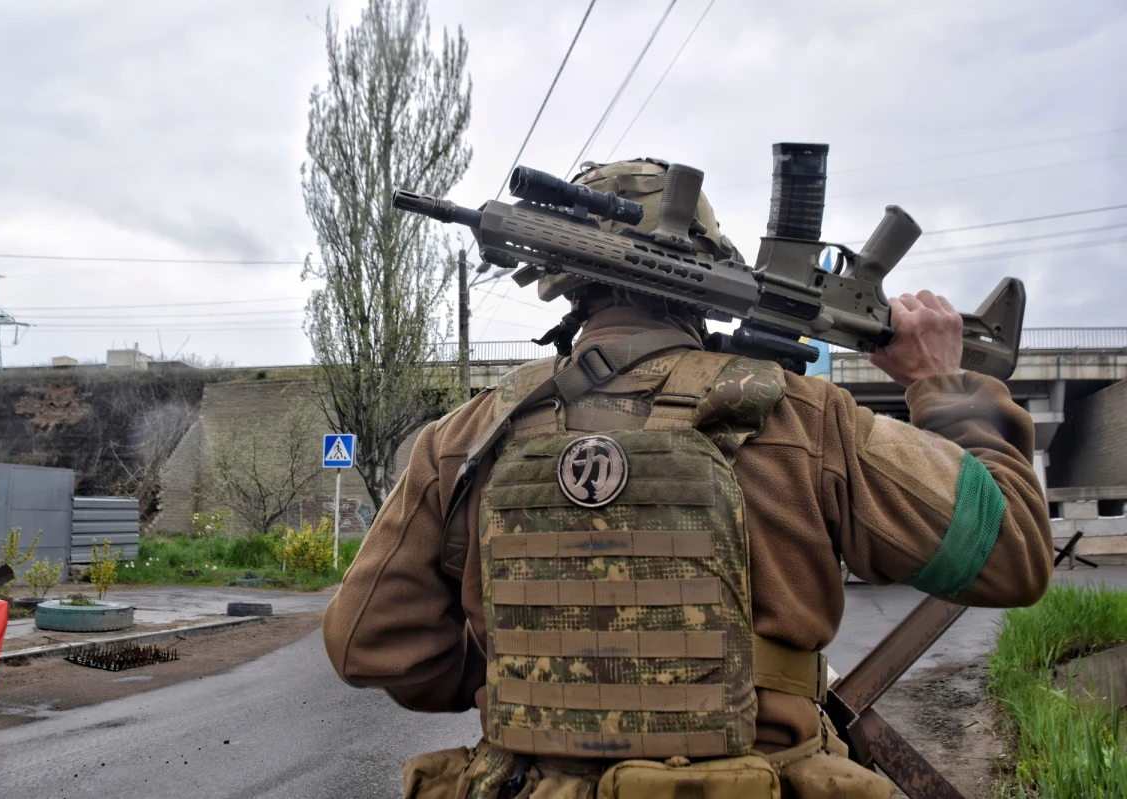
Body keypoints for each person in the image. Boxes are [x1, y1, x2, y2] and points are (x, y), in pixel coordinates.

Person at [323, 158, 1053, 799]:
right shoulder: (806, 420)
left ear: (562, 281)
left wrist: (538, 677)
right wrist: (943, 384)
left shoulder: (466, 437)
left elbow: (366, 640)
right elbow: (1013, 552)